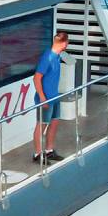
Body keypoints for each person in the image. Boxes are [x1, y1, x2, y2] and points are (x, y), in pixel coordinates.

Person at [32, 31, 70, 163]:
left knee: (54, 122)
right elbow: (36, 78)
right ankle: (37, 154)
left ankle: (49, 150)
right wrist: (42, 98)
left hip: (54, 96)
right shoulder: (47, 57)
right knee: (41, 125)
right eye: (67, 42)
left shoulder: (57, 56)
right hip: (46, 98)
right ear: (64, 43)